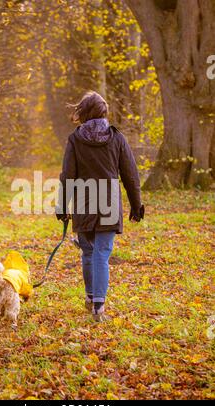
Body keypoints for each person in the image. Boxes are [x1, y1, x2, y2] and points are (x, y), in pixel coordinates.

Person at [56, 91, 144, 321]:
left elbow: (68, 176)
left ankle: (90, 297)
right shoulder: (117, 138)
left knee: (88, 251)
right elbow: (130, 175)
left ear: (84, 112)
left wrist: (62, 206)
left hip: (85, 202)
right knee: (101, 254)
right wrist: (137, 205)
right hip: (108, 203)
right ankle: (98, 307)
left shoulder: (75, 139)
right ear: (104, 113)